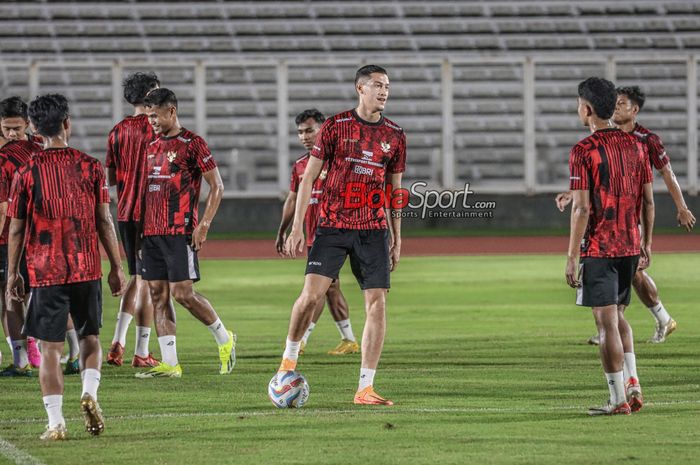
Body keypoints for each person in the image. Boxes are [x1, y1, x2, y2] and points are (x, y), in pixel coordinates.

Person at [279, 65, 406, 405]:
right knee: (310, 297)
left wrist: (397, 236)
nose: (384, 91)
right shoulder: (336, 127)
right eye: (378, 85)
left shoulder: (395, 135)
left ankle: (365, 387)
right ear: (360, 89)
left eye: (388, 86)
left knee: (377, 303)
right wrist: (297, 228)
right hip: (333, 226)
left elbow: (394, 190)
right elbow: (308, 179)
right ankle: (286, 366)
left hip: (373, 230)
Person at [6, 93, 126, 440]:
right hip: (86, 267)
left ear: (33, 129)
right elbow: (105, 220)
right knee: (90, 338)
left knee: (50, 350)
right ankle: (89, 392)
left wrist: (14, 273)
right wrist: (117, 267)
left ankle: (56, 423)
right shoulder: (90, 166)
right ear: (67, 124)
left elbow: (16, 227)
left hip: (45, 272)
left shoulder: (26, 171)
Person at [557, 85, 693, 344]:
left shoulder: (645, 141)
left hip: (628, 220)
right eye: (615, 103)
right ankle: (653, 321)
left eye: (622, 103)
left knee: (624, 274)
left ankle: (619, 330)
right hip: (615, 221)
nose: (617, 107)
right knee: (629, 275)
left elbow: (667, 174)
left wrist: (681, 207)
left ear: (635, 110)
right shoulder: (612, 138)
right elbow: (601, 181)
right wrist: (573, 193)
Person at [565, 77, 654, 416]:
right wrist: (646, 242)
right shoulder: (636, 146)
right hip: (631, 246)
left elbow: (582, 208)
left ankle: (617, 399)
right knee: (617, 318)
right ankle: (633, 385)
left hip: (600, 248)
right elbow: (647, 201)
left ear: (586, 109)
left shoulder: (583, 151)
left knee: (605, 325)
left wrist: (572, 257)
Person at [135, 88, 235, 378]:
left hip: (179, 230)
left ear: (172, 112)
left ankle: (224, 338)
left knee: (183, 294)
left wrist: (203, 225)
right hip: (151, 232)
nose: (151, 120)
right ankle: (170, 363)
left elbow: (217, 186)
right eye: (148, 115)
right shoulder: (149, 145)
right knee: (157, 294)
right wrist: (141, 234)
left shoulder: (193, 144)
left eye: (155, 115)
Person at [276, 108, 359, 356]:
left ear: (323, 130)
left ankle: (301, 339)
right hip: (314, 235)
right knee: (330, 287)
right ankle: (349, 339)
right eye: (300, 132)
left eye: (310, 130)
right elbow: (292, 199)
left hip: (334, 233)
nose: (304, 136)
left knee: (318, 289)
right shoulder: (301, 165)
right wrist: (283, 230)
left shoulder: (340, 160)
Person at [105, 72, 161, 368]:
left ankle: (118, 341)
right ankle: (141, 351)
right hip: (153, 213)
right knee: (149, 281)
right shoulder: (157, 128)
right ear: (152, 93)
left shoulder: (116, 131)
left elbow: (112, 177)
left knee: (137, 276)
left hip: (125, 212)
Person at [0, 96, 43, 375]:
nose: (13, 133)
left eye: (17, 128)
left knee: (11, 297)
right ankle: (32, 353)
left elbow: (3, 207)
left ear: (27, 123)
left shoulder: (4, 158)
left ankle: (22, 360)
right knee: (36, 295)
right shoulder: (41, 146)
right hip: (42, 233)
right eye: (7, 128)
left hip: (13, 236)